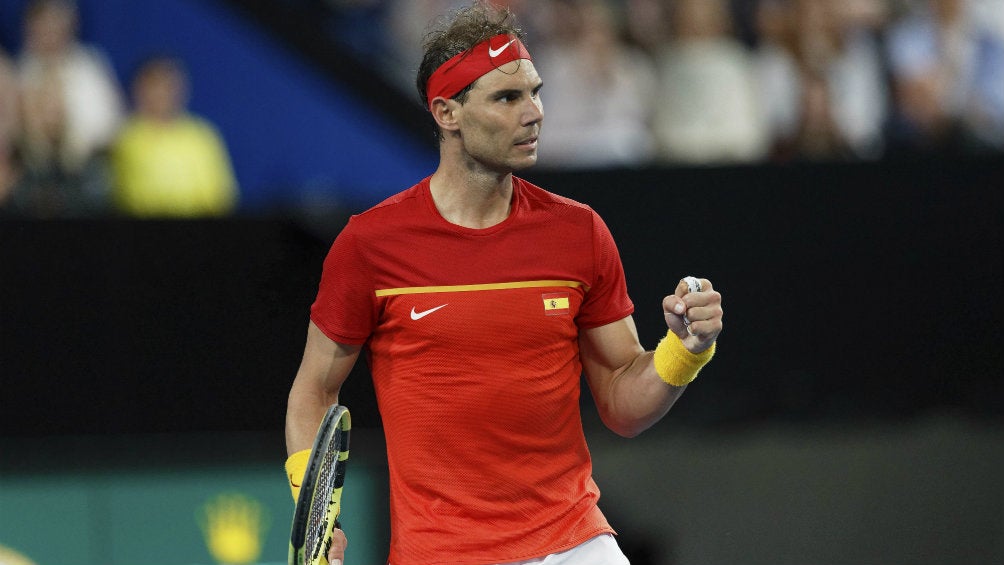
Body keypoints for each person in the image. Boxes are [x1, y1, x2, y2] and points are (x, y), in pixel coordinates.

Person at [284, 2, 724, 564]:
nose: (534, 113)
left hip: (574, 542)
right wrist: (316, 517)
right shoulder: (370, 244)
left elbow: (622, 402)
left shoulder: (579, 232)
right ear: (447, 112)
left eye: (535, 93)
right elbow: (314, 391)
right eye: (507, 98)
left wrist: (685, 350)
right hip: (441, 553)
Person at [110, 55, 238, 217]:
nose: (161, 93)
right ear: (138, 89)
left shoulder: (203, 134)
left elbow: (222, 196)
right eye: (154, 85)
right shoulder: (124, 137)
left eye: (168, 86)